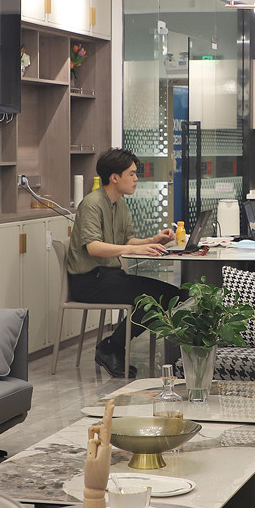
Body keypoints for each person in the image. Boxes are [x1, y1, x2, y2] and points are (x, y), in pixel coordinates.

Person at [66, 148, 184, 378]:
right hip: (89, 281)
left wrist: (152, 241)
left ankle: (113, 346)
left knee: (171, 295)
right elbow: (93, 247)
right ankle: (111, 348)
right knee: (155, 299)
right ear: (114, 177)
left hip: (110, 276)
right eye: (131, 173)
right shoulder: (92, 204)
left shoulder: (120, 204)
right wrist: (132, 249)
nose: (136, 178)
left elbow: (127, 240)